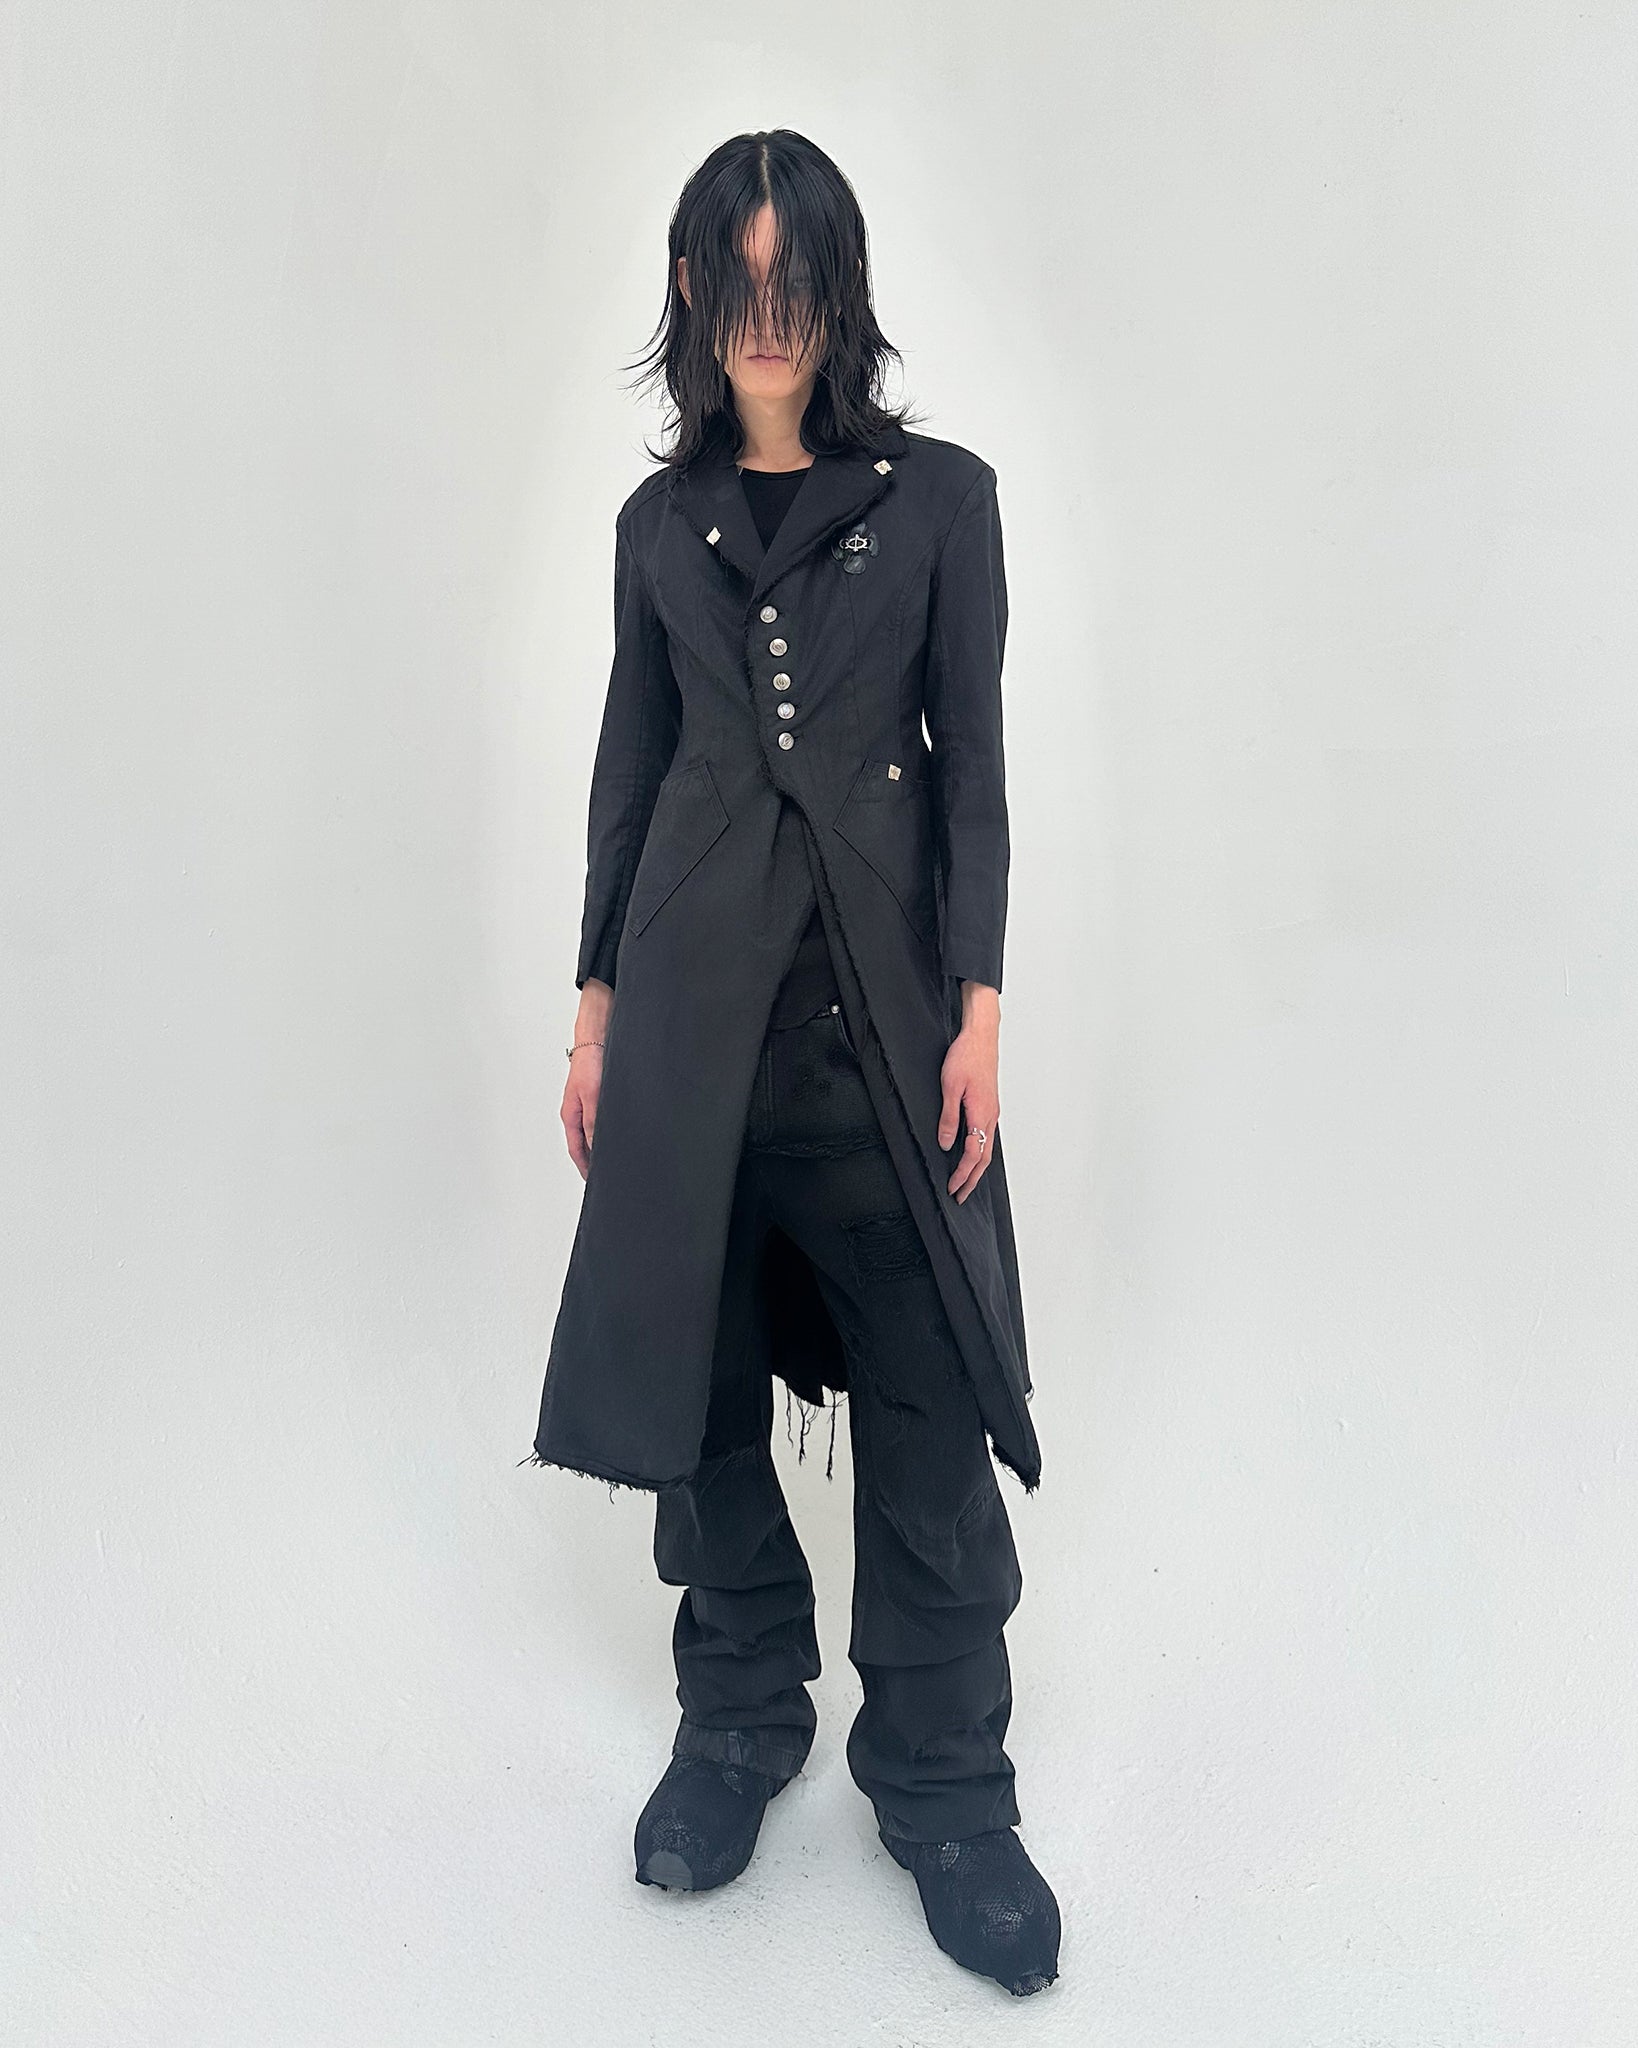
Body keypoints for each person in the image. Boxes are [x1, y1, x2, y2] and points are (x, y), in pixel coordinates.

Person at [527, 128, 1060, 1998]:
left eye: (797, 284)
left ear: (838, 293)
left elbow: (972, 769)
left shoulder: (941, 503)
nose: (768, 320)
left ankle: (946, 1786)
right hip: (688, 1035)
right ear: (695, 291)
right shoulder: (653, 528)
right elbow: (631, 772)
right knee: (699, 1409)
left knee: (926, 1416)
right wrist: (595, 1017)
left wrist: (978, 1009)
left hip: (882, 1040)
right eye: (737, 284)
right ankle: (740, 1719)